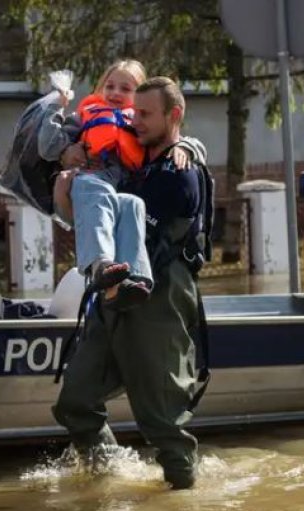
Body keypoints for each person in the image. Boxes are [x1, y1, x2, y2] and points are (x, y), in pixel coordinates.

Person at [52, 76, 214, 490]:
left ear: (173, 116)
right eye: (133, 112)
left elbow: (141, 228)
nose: (134, 120)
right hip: (112, 290)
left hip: (157, 295)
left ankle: (182, 506)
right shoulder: (129, 162)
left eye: (145, 114)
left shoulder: (179, 172)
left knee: (163, 421)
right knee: (76, 402)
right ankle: (110, 479)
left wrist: (188, 146)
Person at [39, 59, 193, 310]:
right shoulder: (84, 116)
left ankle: (134, 280)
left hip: (114, 194)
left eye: (125, 88)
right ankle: (101, 265)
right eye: (110, 86)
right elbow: (47, 146)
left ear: (140, 97)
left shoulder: (140, 125)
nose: (115, 93)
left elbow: (181, 137)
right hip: (87, 182)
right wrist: (58, 114)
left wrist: (186, 147)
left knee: (132, 203)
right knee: (96, 189)